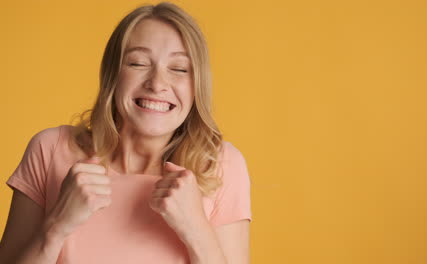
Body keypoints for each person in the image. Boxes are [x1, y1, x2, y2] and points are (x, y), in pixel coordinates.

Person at [0, 2, 252, 263]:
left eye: (179, 69)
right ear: (113, 75)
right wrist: (56, 227)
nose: (157, 84)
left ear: (197, 84)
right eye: (138, 63)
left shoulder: (220, 166)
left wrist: (197, 230)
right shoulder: (50, 150)